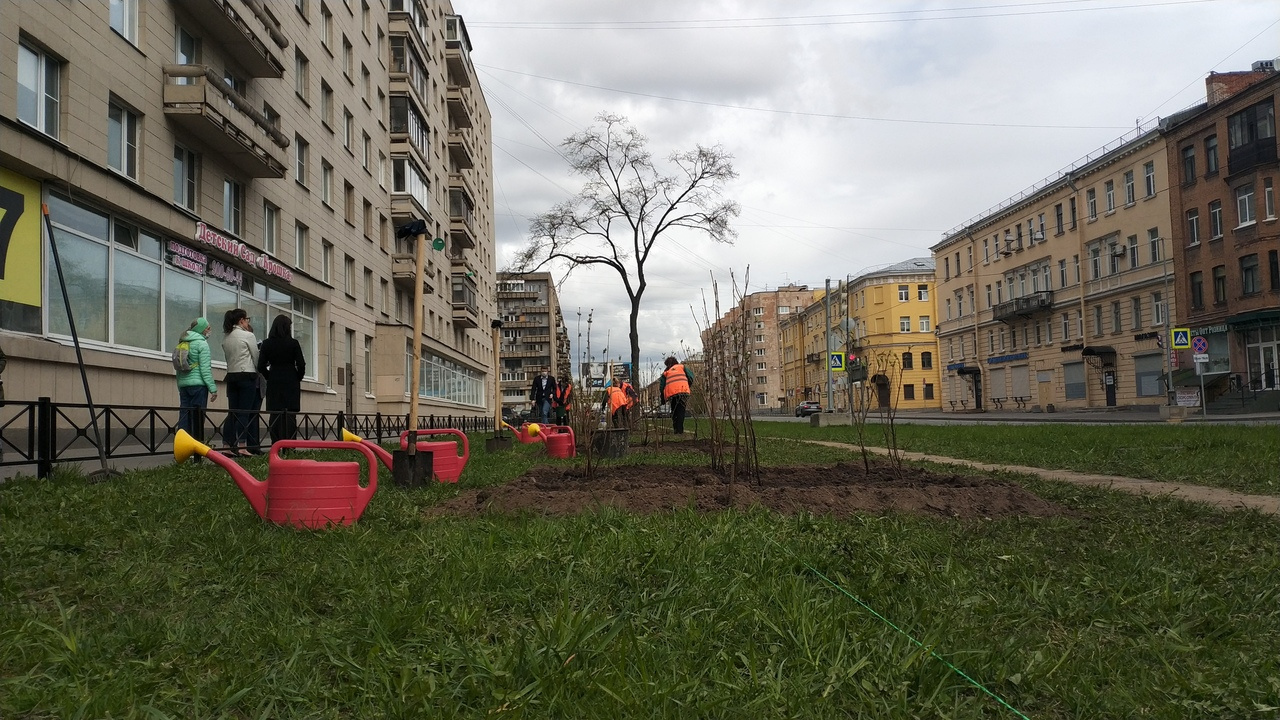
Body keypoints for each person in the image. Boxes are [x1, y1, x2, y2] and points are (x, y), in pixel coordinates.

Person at [257, 314, 306, 446]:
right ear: (286, 328)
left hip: (274, 379)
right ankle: (290, 445)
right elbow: (301, 364)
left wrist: (269, 376)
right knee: (290, 414)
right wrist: (298, 377)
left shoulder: (267, 344)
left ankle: (276, 443)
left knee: (275, 413)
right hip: (291, 379)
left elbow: (260, 365)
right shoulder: (293, 343)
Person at [221, 309, 261, 457]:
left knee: (232, 412)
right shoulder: (248, 335)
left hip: (231, 376)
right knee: (244, 412)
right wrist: (258, 371)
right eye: (247, 319)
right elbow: (255, 356)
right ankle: (242, 446)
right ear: (241, 320)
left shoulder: (226, 337)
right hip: (247, 375)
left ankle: (226, 445)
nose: (248, 322)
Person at [176, 317, 218, 440]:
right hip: (198, 386)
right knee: (197, 418)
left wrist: (180, 385)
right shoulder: (202, 344)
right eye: (208, 328)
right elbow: (205, 369)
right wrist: (213, 389)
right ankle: (196, 448)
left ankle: (181, 445)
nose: (210, 330)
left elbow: (179, 368)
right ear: (201, 329)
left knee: (184, 416)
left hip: (184, 386)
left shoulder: (182, 342)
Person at [659, 356, 693, 434]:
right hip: (683, 391)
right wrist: (687, 385)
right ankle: (680, 430)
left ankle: (676, 430)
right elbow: (691, 377)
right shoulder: (682, 367)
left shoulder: (666, 373)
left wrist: (663, 399)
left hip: (672, 394)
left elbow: (662, 387)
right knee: (681, 411)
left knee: (674, 411)